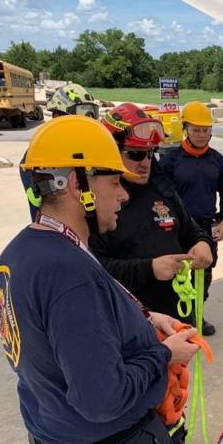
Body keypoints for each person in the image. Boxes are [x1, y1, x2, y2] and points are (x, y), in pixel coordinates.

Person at [0, 115, 200, 444]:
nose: (123, 195)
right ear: (77, 185)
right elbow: (102, 399)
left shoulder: (22, 252)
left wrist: (147, 318)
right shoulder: (68, 274)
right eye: (115, 182)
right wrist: (165, 354)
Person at [89, 102, 216, 338]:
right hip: (130, 324)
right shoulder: (100, 203)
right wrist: (149, 269)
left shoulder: (162, 190)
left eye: (149, 153)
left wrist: (202, 243)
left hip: (176, 318)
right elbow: (95, 270)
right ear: (112, 152)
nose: (145, 162)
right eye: (135, 154)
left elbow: (191, 230)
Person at [160, 101, 223, 328]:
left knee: (205, 273)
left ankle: (196, 315)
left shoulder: (218, 161)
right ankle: (175, 318)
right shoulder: (171, 160)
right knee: (176, 272)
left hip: (206, 226)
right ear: (185, 129)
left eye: (206, 130)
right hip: (177, 228)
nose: (202, 135)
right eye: (196, 130)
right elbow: (159, 196)